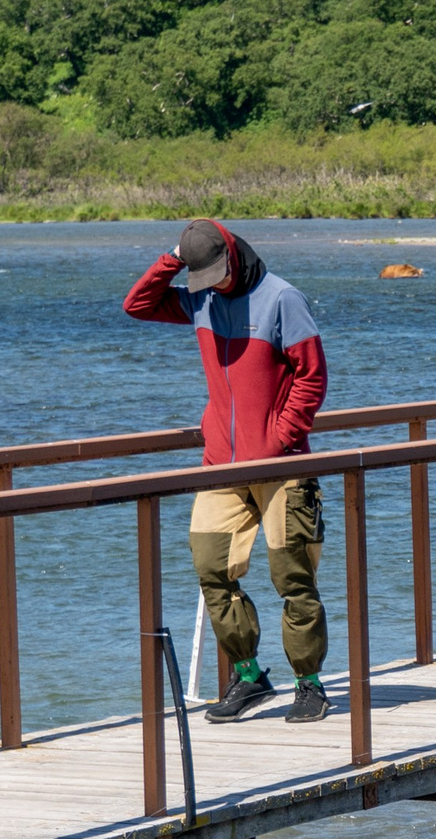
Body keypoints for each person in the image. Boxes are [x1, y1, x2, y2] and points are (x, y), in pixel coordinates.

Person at [123, 220, 332, 723]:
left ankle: (310, 685)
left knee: (292, 578)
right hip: (220, 465)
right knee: (211, 568)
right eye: (204, 276)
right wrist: (175, 257)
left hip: (282, 467)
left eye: (217, 273)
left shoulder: (282, 299)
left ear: (234, 256)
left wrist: (280, 437)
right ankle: (249, 676)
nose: (214, 284)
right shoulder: (200, 300)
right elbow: (138, 304)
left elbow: (313, 376)